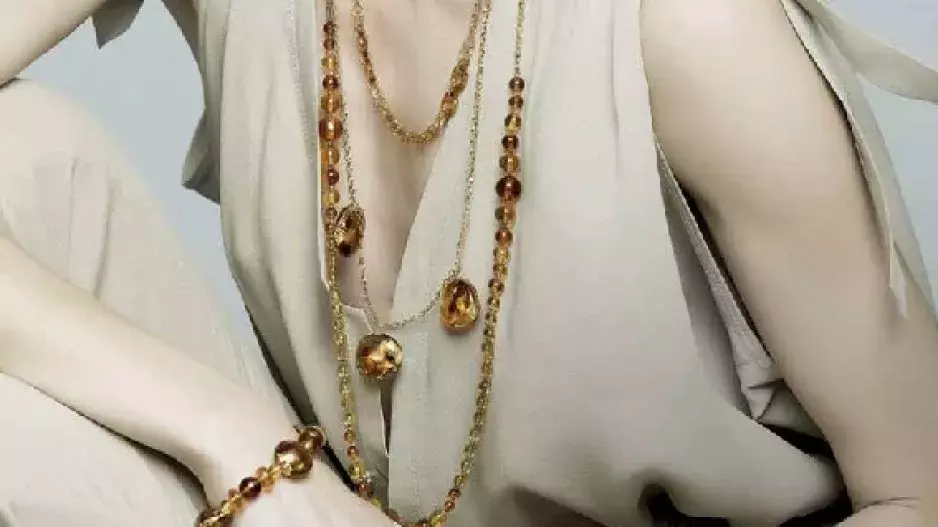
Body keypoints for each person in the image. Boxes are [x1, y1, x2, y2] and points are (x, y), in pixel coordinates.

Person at [1, 0, 938, 525]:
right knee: (25, 150)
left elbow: (919, 492)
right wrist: (235, 436)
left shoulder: (693, 31)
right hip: (316, 501)